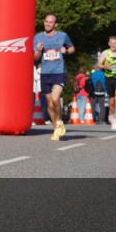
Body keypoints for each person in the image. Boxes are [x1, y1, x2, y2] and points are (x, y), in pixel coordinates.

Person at [33, 13, 74, 141]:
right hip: (45, 73)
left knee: (55, 98)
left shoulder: (62, 36)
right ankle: (57, 126)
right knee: (49, 103)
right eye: (46, 21)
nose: (48, 24)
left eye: (51, 22)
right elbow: (35, 58)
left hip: (59, 71)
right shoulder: (38, 37)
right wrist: (39, 50)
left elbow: (72, 48)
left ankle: (59, 121)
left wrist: (66, 51)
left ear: (55, 24)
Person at [98, 36, 116, 129]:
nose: (113, 45)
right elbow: (99, 64)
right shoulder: (105, 53)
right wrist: (106, 67)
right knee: (112, 101)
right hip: (108, 78)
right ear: (109, 44)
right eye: (111, 43)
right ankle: (113, 120)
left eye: (115, 43)